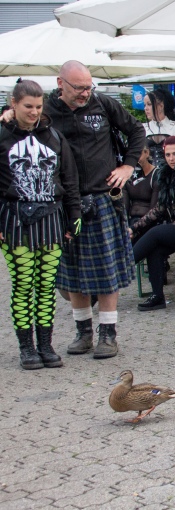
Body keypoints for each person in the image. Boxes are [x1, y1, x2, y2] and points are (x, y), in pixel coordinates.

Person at [44, 60, 145, 360]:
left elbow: (136, 130)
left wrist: (128, 165)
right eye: (79, 88)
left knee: (106, 270)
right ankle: (83, 332)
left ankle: (108, 335)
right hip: (66, 200)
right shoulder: (47, 112)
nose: (85, 93)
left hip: (103, 197)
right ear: (61, 83)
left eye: (89, 86)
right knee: (73, 270)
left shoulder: (103, 103)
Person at [0, 79, 81, 369]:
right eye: (27, 106)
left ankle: (46, 346)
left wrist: (74, 218)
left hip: (52, 218)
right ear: (14, 105)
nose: (34, 112)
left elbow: (70, 181)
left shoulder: (54, 137)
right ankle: (26, 348)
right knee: (23, 284)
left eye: (38, 106)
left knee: (46, 285)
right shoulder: (2, 136)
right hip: (14, 219)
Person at [130, 136, 175, 311]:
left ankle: (117, 273)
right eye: (168, 154)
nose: (171, 158)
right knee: (155, 247)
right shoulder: (168, 174)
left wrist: (173, 225)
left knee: (156, 233)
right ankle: (157, 297)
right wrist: (134, 228)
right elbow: (159, 209)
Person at [143, 89, 175, 168]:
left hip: (171, 173)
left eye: (149, 104)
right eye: (144, 105)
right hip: (147, 174)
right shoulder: (143, 127)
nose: (146, 108)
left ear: (161, 106)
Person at [123, 141, 156, 227]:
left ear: (147, 153)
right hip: (131, 220)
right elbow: (125, 207)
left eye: (138, 154)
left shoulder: (156, 174)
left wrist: (135, 229)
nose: (135, 158)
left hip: (149, 222)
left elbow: (154, 209)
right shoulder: (128, 174)